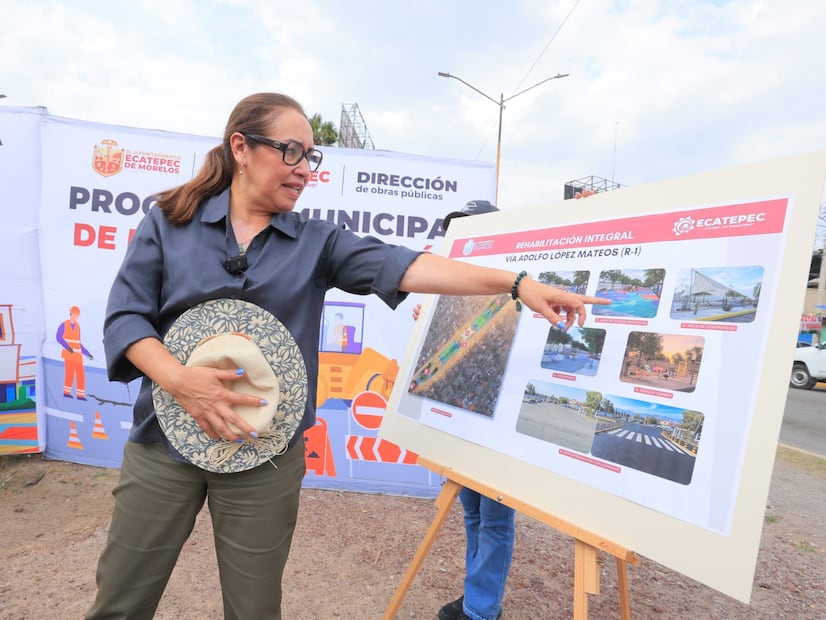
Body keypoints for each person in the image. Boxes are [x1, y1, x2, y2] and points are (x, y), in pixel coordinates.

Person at [86, 92, 608, 620]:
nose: (305, 169)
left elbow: (409, 267)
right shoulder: (168, 223)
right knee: (122, 600)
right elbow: (126, 319)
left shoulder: (317, 243)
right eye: (292, 151)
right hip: (165, 444)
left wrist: (514, 283)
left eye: (310, 157)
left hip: (263, 458)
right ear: (241, 147)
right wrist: (179, 380)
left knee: (254, 608)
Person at [415, 200, 513, 620]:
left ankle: (481, 609)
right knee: (472, 511)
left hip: (499, 428)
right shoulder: (453, 289)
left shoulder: (515, 285)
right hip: (461, 422)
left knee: (493, 518)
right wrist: (428, 321)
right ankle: (477, 596)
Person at [56, 305, 93, 400]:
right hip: (69, 355)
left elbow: (78, 342)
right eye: (76, 314)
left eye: (78, 315)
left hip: (78, 356)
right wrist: (68, 347)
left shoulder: (77, 326)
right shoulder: (64, 324)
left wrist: (87, 353)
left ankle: (80, 395)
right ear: (71, 313)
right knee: (70, 374)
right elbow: (59, 337)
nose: (77, 316)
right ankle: (66, 392)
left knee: (80, 375)